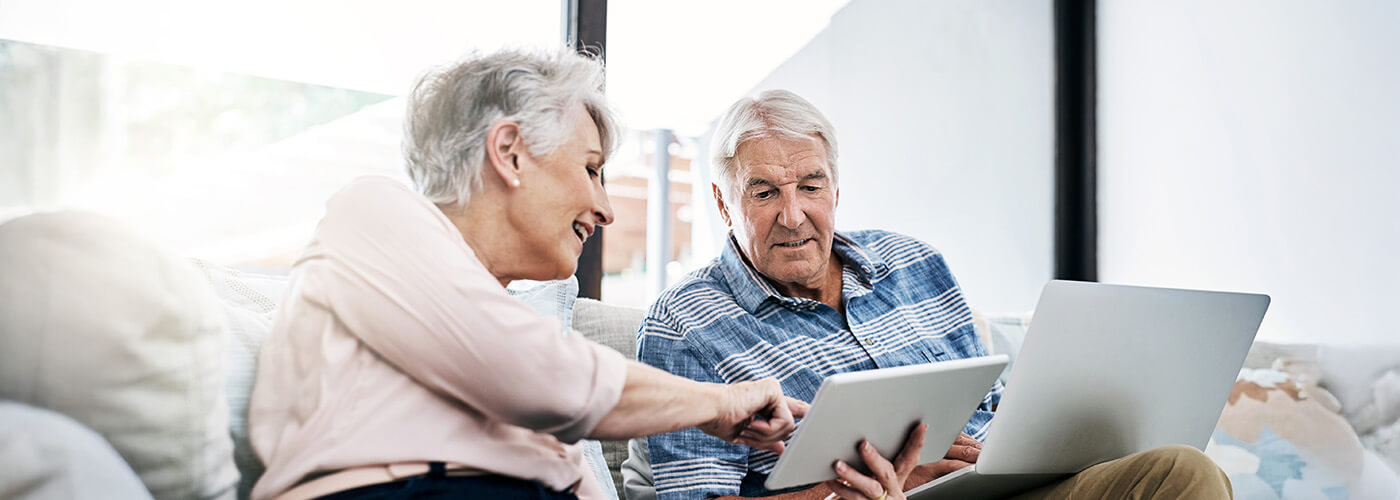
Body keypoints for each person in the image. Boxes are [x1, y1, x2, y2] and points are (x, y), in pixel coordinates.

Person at [247, 50, 806, 500]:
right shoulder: (375, 213)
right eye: (590, 169)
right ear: (510, 152)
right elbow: (554, 381)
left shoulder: (492, 317)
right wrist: (723, 403)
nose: (606, 208)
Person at [628, 90, 1233, 499]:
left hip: (1002, 486)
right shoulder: (684, 325)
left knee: (1183, 472)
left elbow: (994, 409)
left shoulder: (912, 262)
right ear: (721, 201)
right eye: (763, 193)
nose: (793, 215)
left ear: (836, 186)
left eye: (811, 186)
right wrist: (866, 486)